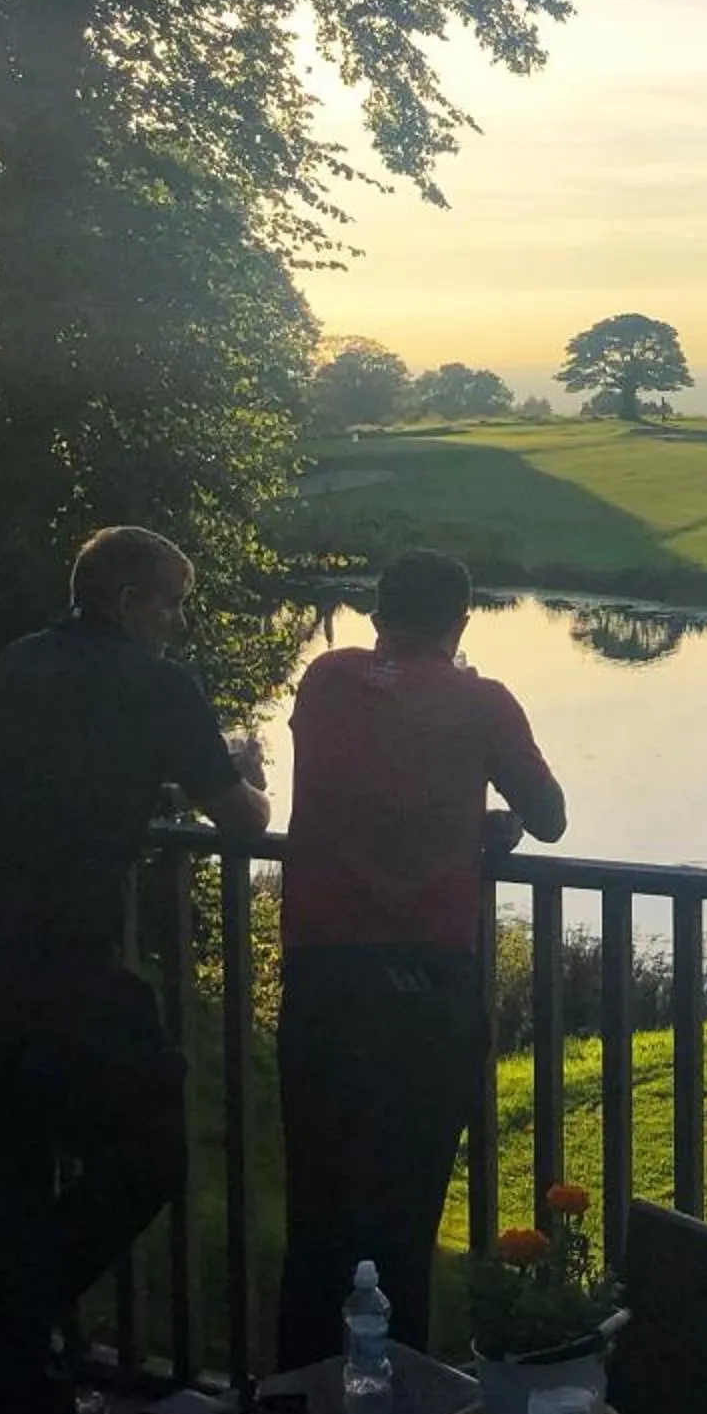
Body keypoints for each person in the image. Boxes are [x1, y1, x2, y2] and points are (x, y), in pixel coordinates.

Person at [0, 526, 269, 1414]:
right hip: (61, 959)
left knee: (8, 1164)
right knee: (147, 1153)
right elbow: (240, 818)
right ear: (128, 602)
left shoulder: (19, 662)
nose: (178, 619)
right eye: (170, 601)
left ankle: (8, 1393)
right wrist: (244, 772)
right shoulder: (159, 682)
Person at [274, 548, 565, 1367]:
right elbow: (549, 819)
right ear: (461, 620)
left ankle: (297, 1397)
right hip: (425, 987)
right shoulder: (483, 702)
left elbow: (366, 781)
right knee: (403, 1212)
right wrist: (487, 822)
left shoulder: (325, 680)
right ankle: (390, 1408)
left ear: (374, 615)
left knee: (317, 1206)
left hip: (324, 978)